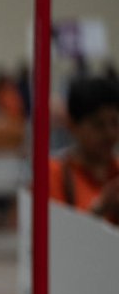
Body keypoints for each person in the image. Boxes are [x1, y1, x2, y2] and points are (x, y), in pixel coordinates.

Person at [49, 76, 119, 225]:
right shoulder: (55, 175)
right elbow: (55, 236)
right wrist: (98, 210)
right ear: (72, 125)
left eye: (115, 122)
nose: (110, 133)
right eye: (98, 124)